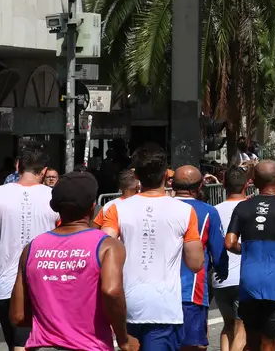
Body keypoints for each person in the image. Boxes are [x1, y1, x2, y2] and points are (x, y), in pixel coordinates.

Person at [9, 171, 139, 351]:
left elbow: (17, 315)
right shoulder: (107, 246)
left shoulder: (32, 248)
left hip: (43, 346)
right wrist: (123, 339)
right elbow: (111, 291)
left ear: (54, 207)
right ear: (93, 207)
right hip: (90, 346)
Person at [96, 144, 204, 351]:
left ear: (136, 175)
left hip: (125, 304)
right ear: (166, 175)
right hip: (164, 307)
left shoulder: (116, 208)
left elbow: (102, 251)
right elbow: (195, 263)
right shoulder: (185, 211)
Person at [225, 160, 275, 351]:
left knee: (252, 342)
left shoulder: (243, 207)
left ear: (254, 181)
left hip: (248, 283)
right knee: (269, 344)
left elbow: (229, 242)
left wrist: (247, 249)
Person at [0, 148, 63, 351]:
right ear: (44, 172)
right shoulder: (55, 197)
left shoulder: (0, 193)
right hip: (43, 281)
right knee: (25, 342)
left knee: (17, 342)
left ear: (18, 166)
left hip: (4, 281)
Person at [173, 166, 226, 351]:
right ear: (200, 186)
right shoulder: (208, 211)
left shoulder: (161, 208)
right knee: (194, 346)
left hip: (157, 292)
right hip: (191, 291)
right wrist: (222, 271)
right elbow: (218, 252)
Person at [212, 168, 249, 351]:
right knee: (241, 330)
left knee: (228, 325)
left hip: (220, 279)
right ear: (247, 184)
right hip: (244, 277)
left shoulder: (214, 211)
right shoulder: (251, 208)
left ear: (224, 185)